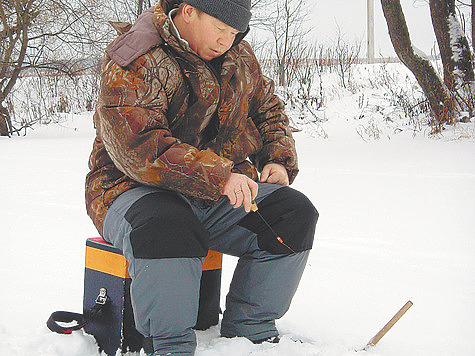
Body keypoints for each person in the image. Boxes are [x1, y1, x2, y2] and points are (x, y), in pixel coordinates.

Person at [85, 0, 318, 354]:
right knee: (169, 225)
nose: (227, 40)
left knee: (292, 215)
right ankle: (170, 345)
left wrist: (278, 159)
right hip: (130, 189)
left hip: (214, 192)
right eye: (220, 28)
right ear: (188, 11)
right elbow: (139, 148)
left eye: (235, 32)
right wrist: (218, 175)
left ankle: (250, 332)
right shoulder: (136, 55)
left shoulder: (236, 56)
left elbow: (267, 105)